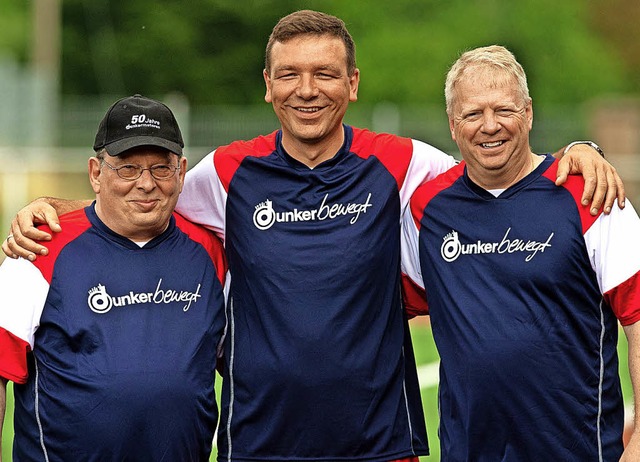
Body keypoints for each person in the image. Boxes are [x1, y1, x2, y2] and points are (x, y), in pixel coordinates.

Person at [1, 11, 626, 462]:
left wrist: (582, 151)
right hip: (258, 442)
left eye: (325, 73)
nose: (307, 90)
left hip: (380, 442)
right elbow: (143, 197)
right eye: (290, 74)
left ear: (352, 84)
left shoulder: (405, 165)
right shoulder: (226, 173)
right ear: (267, 86)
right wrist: (57, 208)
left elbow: (496, 169)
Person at [401, 45, 640, 461]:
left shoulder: (589, 194)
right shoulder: (427, 210)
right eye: (473, 114)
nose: (489, 126)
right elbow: (382, 307)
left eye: (504, 110)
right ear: (453, 126)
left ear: (528, 113)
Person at [0, 95, 227, 460]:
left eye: (161, 168)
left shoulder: (211, 253)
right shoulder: (37, 251)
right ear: (95, 172)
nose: (146, 183)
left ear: (182, 171)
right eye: (127, 168)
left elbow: (243, 365)